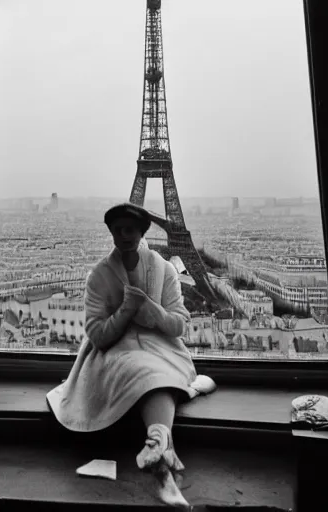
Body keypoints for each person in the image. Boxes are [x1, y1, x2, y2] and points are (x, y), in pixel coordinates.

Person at [47, 203, 216, 509]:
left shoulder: (163, 270)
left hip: (159, 345)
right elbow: (98, 336)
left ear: (142, 232)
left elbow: (177, 323)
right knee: (150, 373)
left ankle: (159, 451)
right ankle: (163, 468)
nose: (123, 235)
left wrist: (150, 311)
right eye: (117, 229)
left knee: (152, 370)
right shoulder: (99, 275)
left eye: (130, 229)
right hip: (115, 349)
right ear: (111, 232)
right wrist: (126, 310)